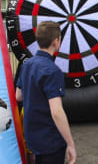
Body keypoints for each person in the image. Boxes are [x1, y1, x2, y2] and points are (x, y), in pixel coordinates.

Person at [16, 21, 76, 164]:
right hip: (50, 141)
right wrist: (70, 143)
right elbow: (56, 112)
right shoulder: (52, 71)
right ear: (56, 41)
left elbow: (18, 96)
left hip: (32, 138)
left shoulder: (27, 65)